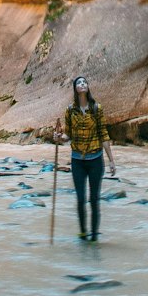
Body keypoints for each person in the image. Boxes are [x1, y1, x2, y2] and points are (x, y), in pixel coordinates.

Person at [54, 76, 116, 241]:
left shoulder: (96, 108)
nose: (82, 84)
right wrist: (59, 137)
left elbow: (104, 134)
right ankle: (83, 233)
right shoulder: (70, 110)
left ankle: (94, 236)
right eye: (79, 83)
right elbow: (69, 136)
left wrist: (111, 160)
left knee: (94, 200)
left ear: (88, 87)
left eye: (85, 82)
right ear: (75, 89)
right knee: (81, 199)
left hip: (95, 159)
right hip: (78, 160)